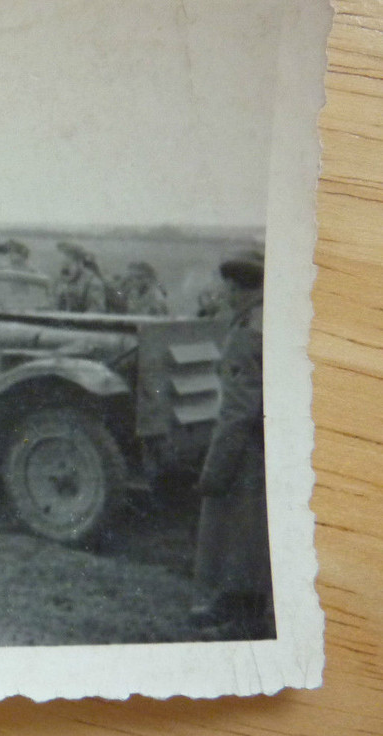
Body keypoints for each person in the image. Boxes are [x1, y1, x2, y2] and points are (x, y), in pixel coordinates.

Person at [189, 248, 274, 639]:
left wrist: (215, 468)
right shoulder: (269, 320)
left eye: (228, 289)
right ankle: (237, 604)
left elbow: (238, 409)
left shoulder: (246, 334)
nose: (223, 296)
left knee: (242, 534)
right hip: (268, 441)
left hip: (249, 449)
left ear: (241, 290)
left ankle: (242, 618)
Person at [54, 241, 107, 313]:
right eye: (62, 266)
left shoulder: (93, 283)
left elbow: (95, 313)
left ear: (80, 263)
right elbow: (54, 308)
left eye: (68, 265)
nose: (64, 271)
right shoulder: (61, 282)